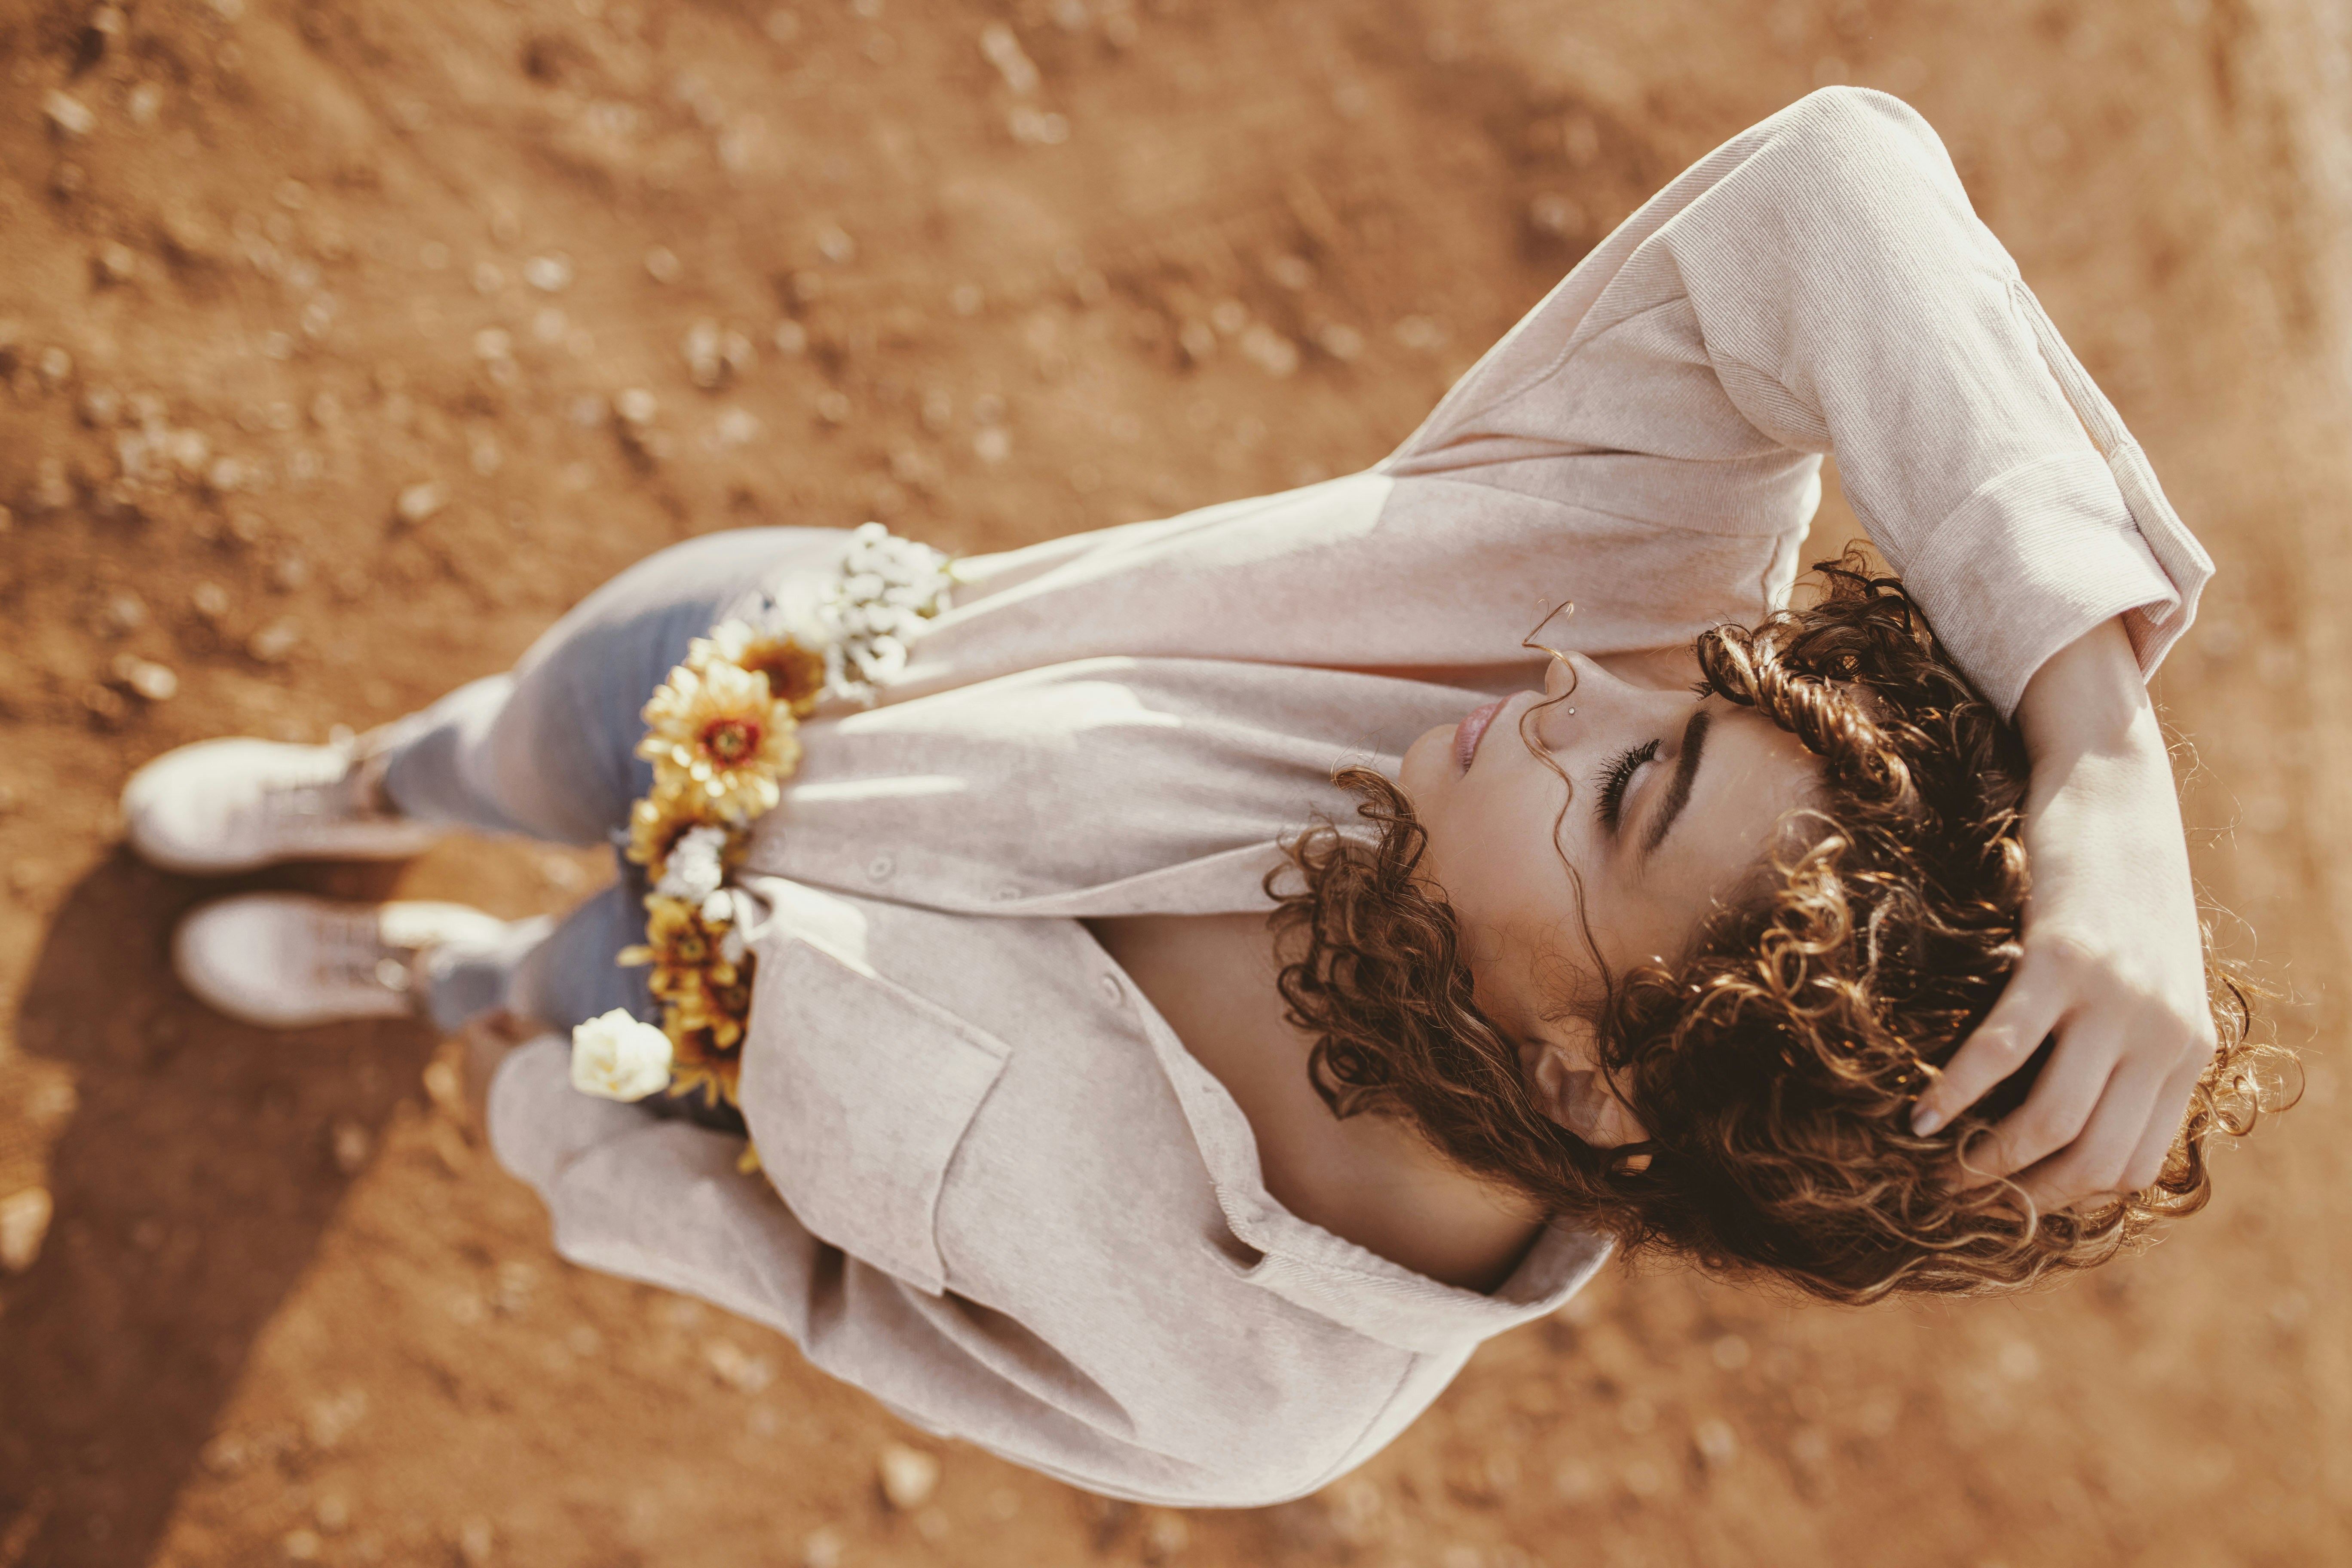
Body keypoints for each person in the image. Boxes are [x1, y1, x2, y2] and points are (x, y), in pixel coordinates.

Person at [119, 89, 2271, 1506]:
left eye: (1631, 789)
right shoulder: (1596, 589)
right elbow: (1832, 188)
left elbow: (852, 1308)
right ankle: (377, 781)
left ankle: (442, 971)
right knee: (509, 737)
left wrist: (578, 1133)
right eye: (1678, 690)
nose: (1573, 675)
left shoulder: (1263, 1395)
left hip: (667, 1021)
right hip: (750, 661)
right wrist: (2094, 743)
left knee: (535, 984)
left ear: (1604, 1079)